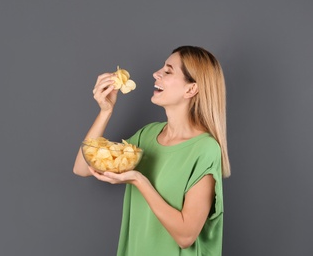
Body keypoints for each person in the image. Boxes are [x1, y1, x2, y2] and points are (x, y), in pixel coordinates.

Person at [73, 45, 230, 256]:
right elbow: (82, 167)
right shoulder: (147, 135)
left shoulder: (205, 149)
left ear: (191, 89)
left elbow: (186, 236)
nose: (156, 73)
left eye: (168, 71)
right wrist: (105, 112)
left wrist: (139, 180)